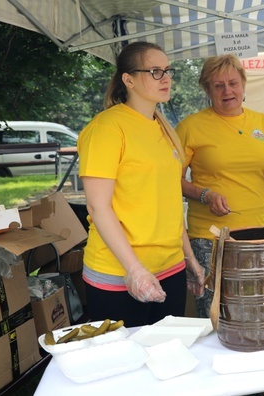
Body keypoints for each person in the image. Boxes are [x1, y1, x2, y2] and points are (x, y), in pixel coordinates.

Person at [78, 42, 204, 327]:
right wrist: (134, 270)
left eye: (168, 70)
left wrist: (189, 258)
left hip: (170, 267)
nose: (167, 78)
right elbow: (99, 207)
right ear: (129, 79)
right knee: (125, 365)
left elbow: (169, 201)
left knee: (168, 356)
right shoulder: (107, 128)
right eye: (155, 71)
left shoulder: (163, 127)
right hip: (119, 272)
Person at [175, 54, 264, 319]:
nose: (227, 91)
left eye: (232, 83)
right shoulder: (190, 128)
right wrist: (204, 194)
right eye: (218, 86)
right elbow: (173, 180)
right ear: (207, 90)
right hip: (212, 238)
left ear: (243, 84)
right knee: (218, 314)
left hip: (261, 234)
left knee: (262, 310)